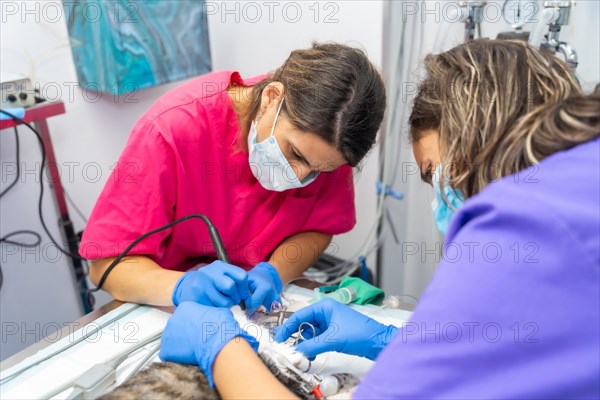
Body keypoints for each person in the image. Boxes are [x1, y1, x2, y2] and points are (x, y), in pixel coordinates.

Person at [159, 39, 600, 398]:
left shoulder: (520, 223)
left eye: (432, 175)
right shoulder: (579, 181)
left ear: (474, 138)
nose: (439, 204)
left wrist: (220, 348)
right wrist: (395, 343)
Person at [79, 42, 386, 314]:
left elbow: (319, 229)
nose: (300, 176)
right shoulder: (172, 130)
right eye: (295, 154)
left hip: (252, 306)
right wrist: (182, 286)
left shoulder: (329, 144)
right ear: (271, 97)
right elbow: (105, 267)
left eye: (319, 171)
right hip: (167, 304)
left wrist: (275, 272)